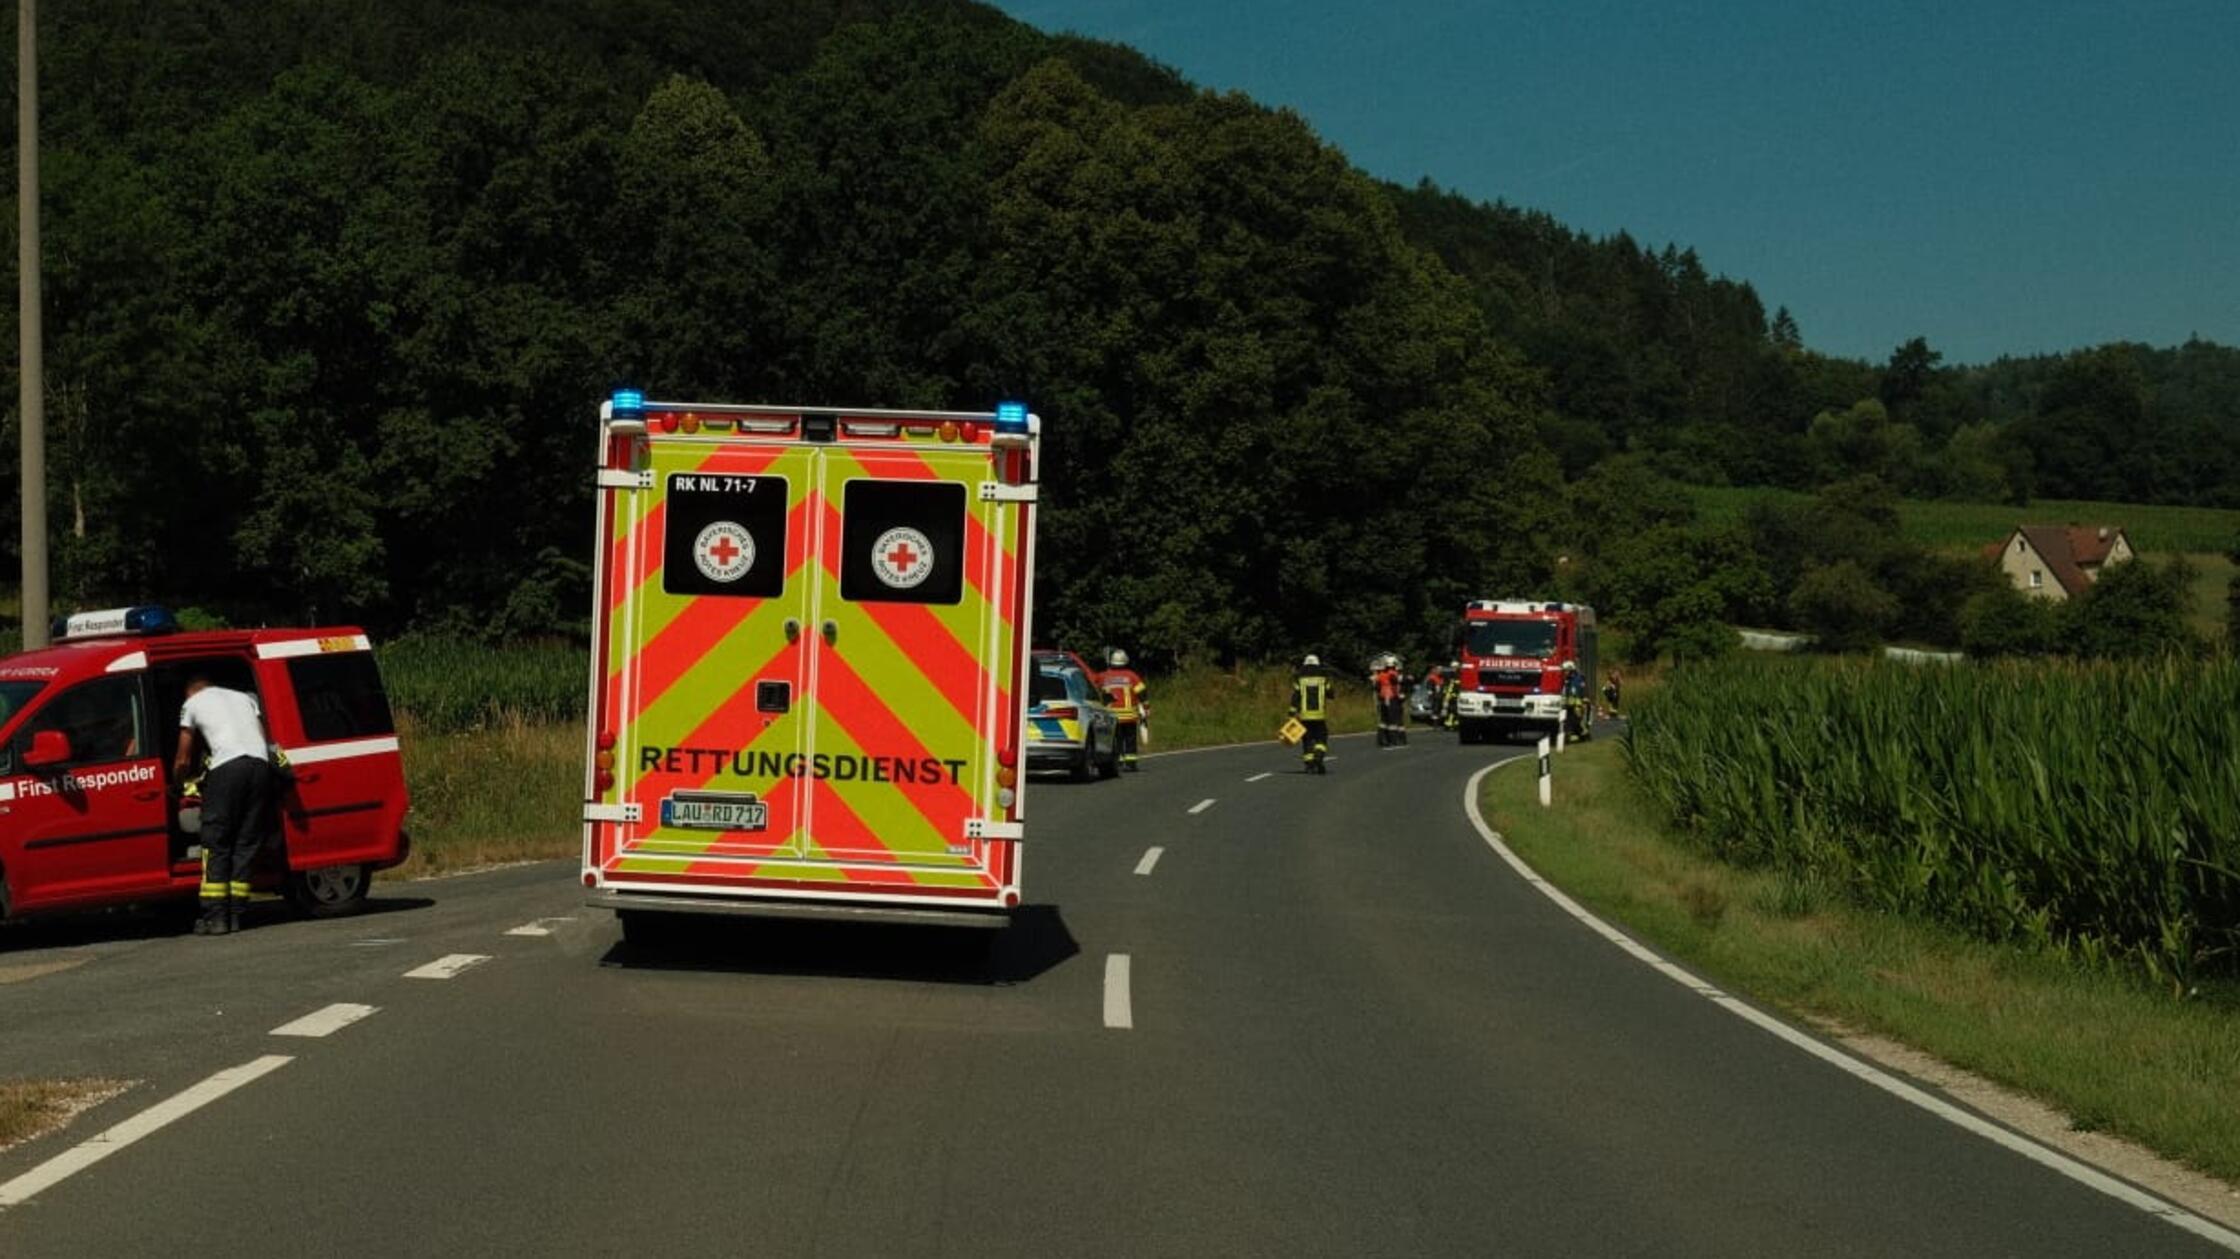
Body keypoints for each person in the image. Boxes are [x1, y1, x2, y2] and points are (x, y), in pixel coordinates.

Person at [173, 677, 277, 935]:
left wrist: (177, 784)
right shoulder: (244, 697)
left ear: (191, 692)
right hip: (260, 766)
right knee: (245, 842)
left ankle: (215, 918)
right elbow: (262, 741)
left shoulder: (192, 703)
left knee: (216, 841)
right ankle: (236, 915)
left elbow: (183, 757)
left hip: (228, 767)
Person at [1100, 649, 1149, 772]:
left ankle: (1119, 762)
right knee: (1130, 739)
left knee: (1117, 739)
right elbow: (1142, 693)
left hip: (1112, 716)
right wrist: (1146, 707)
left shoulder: (1105, 676)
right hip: (1129, 716)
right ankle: (1131, 763)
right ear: (1125, 661)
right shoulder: (1131, 676)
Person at [1290, 654, 1332, 773]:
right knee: (1321, 738)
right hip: (1319, 716)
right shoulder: (1324, 678)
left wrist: (1292, 712)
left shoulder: (1299, 678)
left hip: (1304, 716)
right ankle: (1318, 756)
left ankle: (1309, 765)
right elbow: (1331, 694)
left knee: (1307, 740)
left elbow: (1296, 696)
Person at [1372, 655, 1407, 747]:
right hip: (1392, 698)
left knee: (1384, 721)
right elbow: (1395, 682)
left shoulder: (1381, 675)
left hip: (1383, 698)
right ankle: (1393, 741)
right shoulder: (1393, 674)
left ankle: (1382, 740)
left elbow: (1376, 687)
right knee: (1393, 721)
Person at [1439, 661, 1461, 732]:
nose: (1454, 668)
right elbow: (1449, 686)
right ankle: (1449, 725)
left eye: (1455, 667)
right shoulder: (1450, 675)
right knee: (1451, 710)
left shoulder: (1458, 675)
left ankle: (1454, 725)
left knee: (1455, 711)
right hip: (1451, 696)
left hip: (1454, 696)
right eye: (1453, 667)